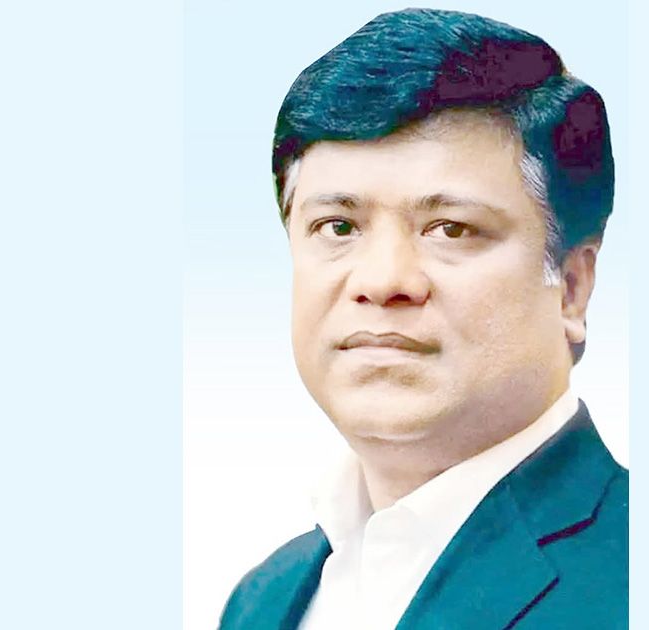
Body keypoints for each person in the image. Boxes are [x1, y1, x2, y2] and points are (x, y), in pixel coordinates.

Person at [219, 8, 626, 629]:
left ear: (572, 287)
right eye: (338, 227)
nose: (383, 281)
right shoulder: (262, 600)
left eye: (450, 229)